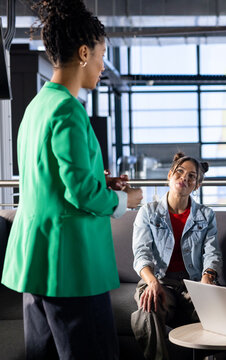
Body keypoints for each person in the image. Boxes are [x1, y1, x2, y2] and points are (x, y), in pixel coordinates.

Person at [0, 1, 143, 359]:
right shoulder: (69, 110)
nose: (101, 66)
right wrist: (128, 200)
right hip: (71, 266)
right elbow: (79, 193)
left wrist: (101, 179)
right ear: (83, 52)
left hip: (37, 262)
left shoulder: (38, 105)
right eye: (101, 55)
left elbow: (48, 176)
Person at [131, 152, 222, 360]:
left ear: (196, 185)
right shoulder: (148, 212)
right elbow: (141, 253)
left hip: (194, 282)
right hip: (160, 280)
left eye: (192, 176)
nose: (185, 178)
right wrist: (152, 282)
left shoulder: (206, 215)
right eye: (180, 172)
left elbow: (212, 252)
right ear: (170, 176)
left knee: (215, 311)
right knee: (147, 308)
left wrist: (208, 277)